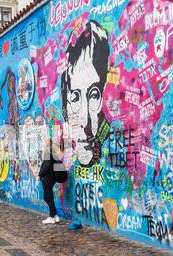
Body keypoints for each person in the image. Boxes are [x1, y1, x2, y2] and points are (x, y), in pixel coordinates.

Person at [61, 20, 110, 168]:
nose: (86, 122)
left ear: (102, 95)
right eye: (75, 97)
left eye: (94, 95)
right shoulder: (57, 151)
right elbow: (59, 176)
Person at [38, 138, 65, 224]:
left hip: (47, 178)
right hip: (52, 178)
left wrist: (40, 174)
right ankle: (55, 216)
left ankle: (51, 217)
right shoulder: (53, 152)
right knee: (49, 197)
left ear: (46, 143)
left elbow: (46, 166)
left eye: (43, 142)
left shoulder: (48, 152)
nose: (43, 143)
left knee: (47, 197)